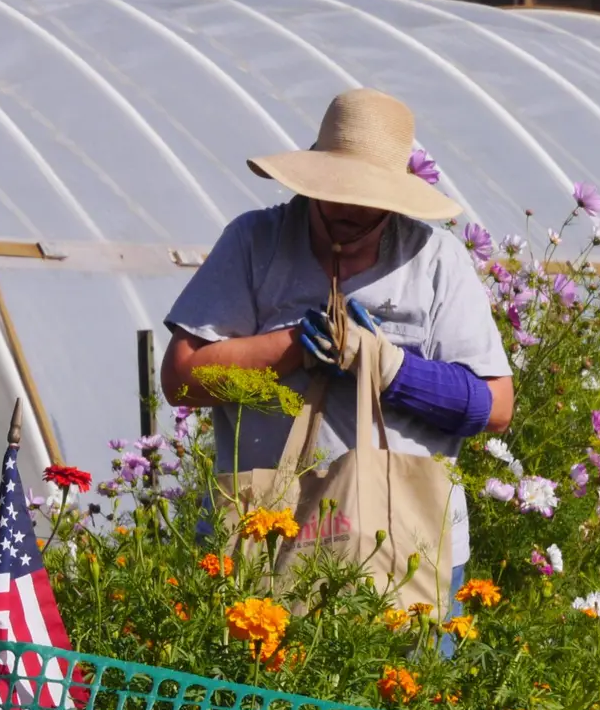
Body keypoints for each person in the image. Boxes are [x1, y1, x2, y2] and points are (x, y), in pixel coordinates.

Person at [161, 87, 513, 614]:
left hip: (401, 544)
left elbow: (495, 406)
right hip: (264, 537)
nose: (348, 207)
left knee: (402, 693)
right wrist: (290, 348)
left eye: (366, 198)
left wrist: (389, 368)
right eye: (336, 190)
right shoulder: (257, 243)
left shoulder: (435, 261)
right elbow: (182, 377)